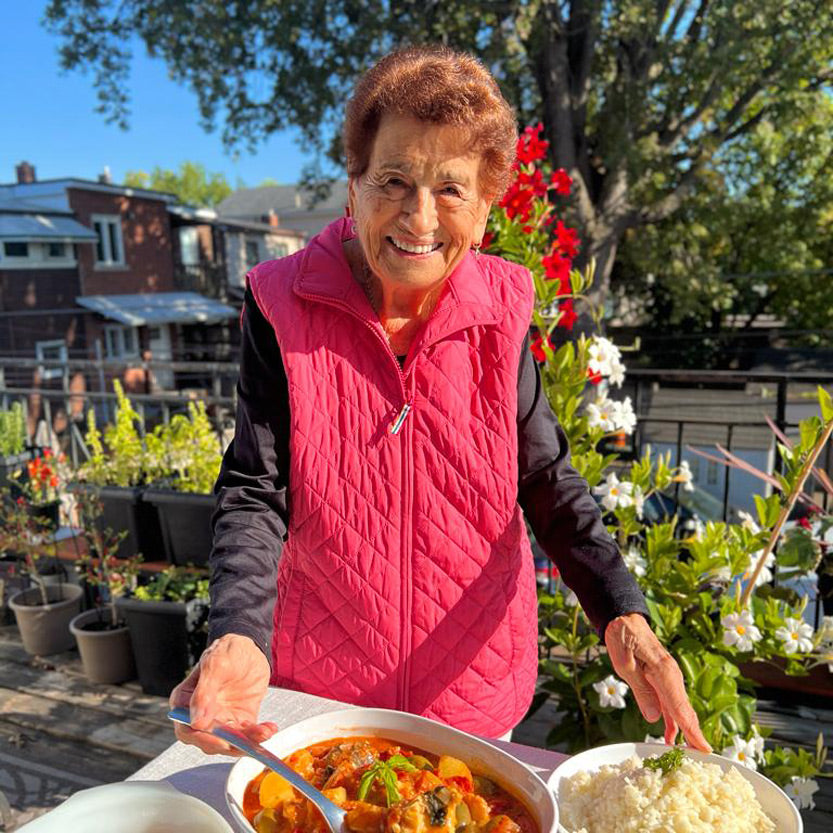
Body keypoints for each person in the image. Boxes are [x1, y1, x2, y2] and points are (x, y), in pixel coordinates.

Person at [172, 45, 710, 756]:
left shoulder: (503, 309)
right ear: (353, 186)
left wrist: (622, 610)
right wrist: (237, 630)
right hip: (325, 700)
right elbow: (256, 489)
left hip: (473, 694)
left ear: (485, 209)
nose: (419, 218)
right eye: (394, 179)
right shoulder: (280, 303)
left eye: (450, 189)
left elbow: (545, 477)